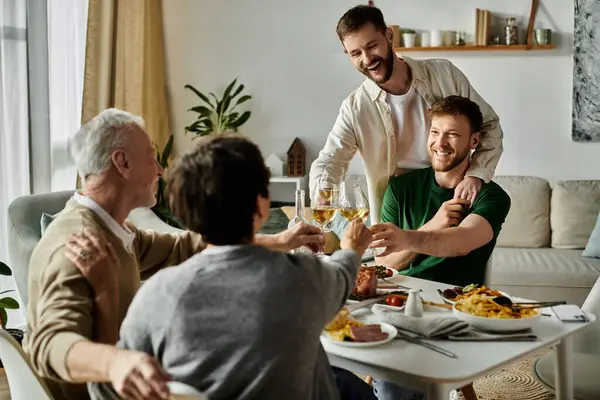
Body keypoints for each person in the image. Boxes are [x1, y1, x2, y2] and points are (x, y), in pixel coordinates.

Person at [24, 109, 324, 400]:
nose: (160, 169)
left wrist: (281, 240)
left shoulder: (115, 229)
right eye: (151, 157)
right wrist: (115, 363)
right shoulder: (78, 244)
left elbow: (187, 247)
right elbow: (48, 345)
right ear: (122, 162)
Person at [86, 134, 376, 400]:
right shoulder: (301, 277)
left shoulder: (157, 295)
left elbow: (107, 388)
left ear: (185, 217)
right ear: (262, 207)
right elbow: (342, 276)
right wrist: (352, 249)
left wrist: (104, 301)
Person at [309, 5, 504, 225]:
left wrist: (476, 175)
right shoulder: (355, 107)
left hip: (455, 199)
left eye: (372, 46)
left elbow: (490, 125)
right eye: (355, 53)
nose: (367, 59)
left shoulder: (445, 74)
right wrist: (323, 193)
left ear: (389, 36)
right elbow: (330, 160)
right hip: (397, 210)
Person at [370, 96, 510, 289]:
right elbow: (384, 264)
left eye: (452, 134)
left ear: (474, 140)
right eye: (435, 132)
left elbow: (462, 243)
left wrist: (404, 238)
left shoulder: (492, 196)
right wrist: (433, 225)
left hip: (457, 302)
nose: (440, 143)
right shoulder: (399, 188)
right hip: (400, 296)